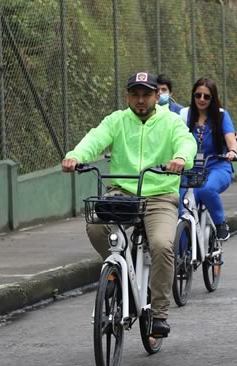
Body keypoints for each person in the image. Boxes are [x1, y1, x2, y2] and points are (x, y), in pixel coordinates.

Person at [62, 72, 197, 338]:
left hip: (160, 196)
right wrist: (76, 155)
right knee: (97, 228)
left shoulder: (171, 122)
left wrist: (181, 157)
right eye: (134, 94)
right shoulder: (117, 120)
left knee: (161, 244)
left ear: (157, 96)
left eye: (146, 94)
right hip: (122, 193)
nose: (140, 100)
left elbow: (186, 142)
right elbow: (95, 138)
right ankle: (118, 272)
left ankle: (158, 313)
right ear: (127, 96)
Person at [180, 78, 237, 240]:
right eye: (198, 95)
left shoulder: (221, 116)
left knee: (207, 189)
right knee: (179, 206)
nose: (201, 99)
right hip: (190, 171)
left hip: (217, 167)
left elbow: (230, 138)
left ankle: (220, 224)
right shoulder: (185, 116)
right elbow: (174, 139)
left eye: (207, 96)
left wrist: (232, 151)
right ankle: (181, 257)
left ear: (213, 99)